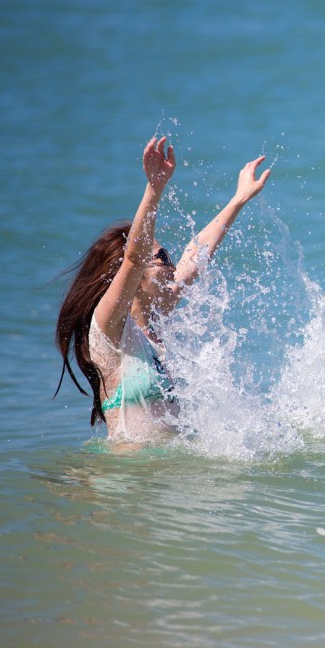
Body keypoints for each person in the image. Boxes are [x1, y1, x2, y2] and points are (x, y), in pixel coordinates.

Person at [55, 136, 271, 442]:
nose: (171, 265)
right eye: (160, 259)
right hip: (124, 481)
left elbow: (195, 256)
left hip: (167, 479)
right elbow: (133, 258)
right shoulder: (109, 329)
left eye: (168, 257)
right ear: (128, 275)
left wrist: (238, 200)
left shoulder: (157, 323)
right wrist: (154, 190)